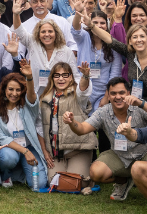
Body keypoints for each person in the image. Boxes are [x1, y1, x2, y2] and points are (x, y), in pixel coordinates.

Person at [62, 77, 147, 200]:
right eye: (113, 93)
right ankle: (122, 181)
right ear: (108, 96)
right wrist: (72, 122)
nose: (118, 97)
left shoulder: (138, 105)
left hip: (145, 153)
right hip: (120, 155)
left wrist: (142, 104)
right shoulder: (103, 112)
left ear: (128, 93)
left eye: (121, 92)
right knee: (96, 172)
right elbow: (82, 129)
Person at [40, 60, 99, 193]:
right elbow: (40, 127)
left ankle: (88, 178)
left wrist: (85, 76)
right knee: (54, 182)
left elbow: (83, 91)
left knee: (78, 182)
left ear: (71, 77)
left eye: (65, 75)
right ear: (52, 78)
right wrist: (45, 151)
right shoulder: (44, 99)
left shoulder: (77, 95)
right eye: (57, 75)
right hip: (56, 153)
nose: (61, 78)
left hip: (78, 149)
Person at [92, 19, 147, 108]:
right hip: (132, 106)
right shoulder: (130, 54)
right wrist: (91, 25)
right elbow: (109, 39)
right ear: (130, 41)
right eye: (135, 37)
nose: (139, 40)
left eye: (142, 36)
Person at [0, 68, 45, 191]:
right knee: (8, 159)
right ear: (4, 90)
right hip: (10, 148)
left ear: (23, 91)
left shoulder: (28, 106)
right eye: (11, 89)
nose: (14, 93)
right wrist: (25, 152)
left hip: (29, 146)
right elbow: (1, 137)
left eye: (18, 90)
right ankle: (6, 175)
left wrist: (29, 78)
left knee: (40, 184)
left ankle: (18, 172)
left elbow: (32, 96)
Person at [15, 0, 83, 58]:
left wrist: (65, 60)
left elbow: (73, 45)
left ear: (47, 1)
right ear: (30, 3)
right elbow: (20, 53)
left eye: (42, 1)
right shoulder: (25, 26)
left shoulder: (62, 21)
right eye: (35, 2)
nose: (39, 5)